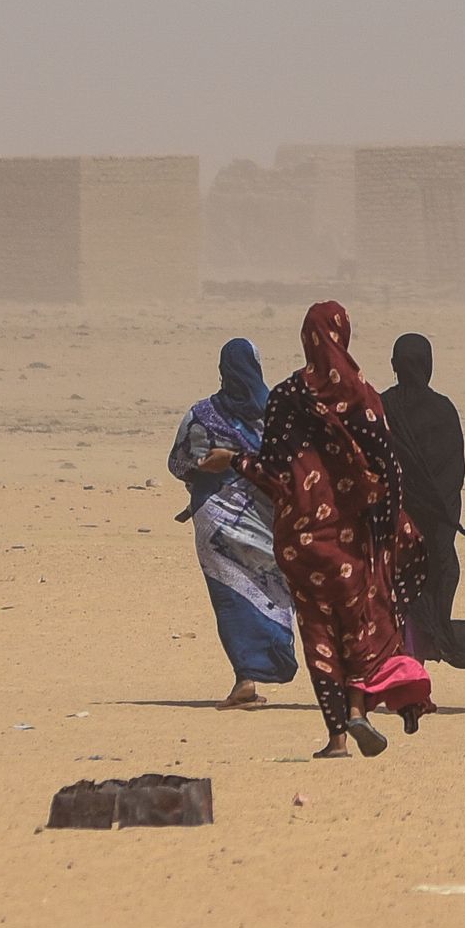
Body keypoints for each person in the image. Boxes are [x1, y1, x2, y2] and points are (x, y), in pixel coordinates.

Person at [248, 302, 437, 757]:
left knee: (318, 632)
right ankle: (359, 708)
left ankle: (336, 739)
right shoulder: (362, 396)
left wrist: (232, 461)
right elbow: (389, 467)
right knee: (364, 623)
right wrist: (388, 526)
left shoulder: (284, 395)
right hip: (355, 535)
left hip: (300, 538)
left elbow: (273, 472)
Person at [166, 336, 297, 708]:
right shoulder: (278, 414)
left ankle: (246, 677)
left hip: (214, 520)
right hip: (268, 520)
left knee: (231, 597)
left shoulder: (201, 413)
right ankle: (265, 664)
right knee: (274, 590)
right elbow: (291, 466)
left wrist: (205, 468)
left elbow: (177, 464)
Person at [387, 333, 465, 656]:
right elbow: (454, 473)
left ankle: (407, 662)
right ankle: (413, 663)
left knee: (398, 589)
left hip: (395, 522)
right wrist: (445, 515)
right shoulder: (444, 411)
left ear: (394, 366)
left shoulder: (383, 407)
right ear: (429, 365)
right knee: (437, 578)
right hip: (436, 525)